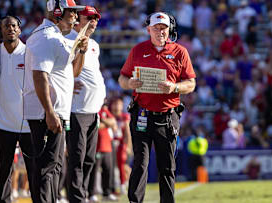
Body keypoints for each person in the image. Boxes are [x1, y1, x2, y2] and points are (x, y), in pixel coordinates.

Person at [118, 12, 196, 203]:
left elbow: (191, 83)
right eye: (156, 28)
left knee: (167, 166)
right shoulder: (138, 50)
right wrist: (130, 84)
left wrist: (175, 87)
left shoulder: (180, 52)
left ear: (169, 30)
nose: (160, 32)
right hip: (142, 113)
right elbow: (122, 78)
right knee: (140, 163)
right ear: (148, 29)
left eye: (164, 28)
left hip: (167, 116)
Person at [22, 0, 85, 202]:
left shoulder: (53, 36)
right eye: (71, 12)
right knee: (46, 168)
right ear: (57, 12)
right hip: (46, 114)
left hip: (54, 112)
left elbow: (71, 73)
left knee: (54, 166)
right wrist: (49, 112)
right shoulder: (46, 37)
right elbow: (40, 76)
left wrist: (81, 51)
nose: (75, 17)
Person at [64, 6, 106, 203]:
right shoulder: (67, 39)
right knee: (77, 158)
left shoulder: (95, 44)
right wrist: (66, 84)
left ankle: (83, 194)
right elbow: (60, 69)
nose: (94, 21)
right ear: (77, 20)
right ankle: (76, 198)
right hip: (77, 109)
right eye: (89, 17)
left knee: (89, 159)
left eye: (96, 18)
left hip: (93, 109)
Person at [0, 15, 33, 203]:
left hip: (28, 124)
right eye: (6, 26)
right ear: (0, 30)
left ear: (20, 29)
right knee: (1, 173)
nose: (11, 29)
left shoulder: (30, 53)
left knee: (35, 173)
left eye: (14, 26)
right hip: (0, 122)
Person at [88, 105, 118, 202]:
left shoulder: (105, 111)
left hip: (107, 147)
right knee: (93, 172)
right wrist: (106, 123)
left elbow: (113, 121)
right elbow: (96, 126)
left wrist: (103, 120)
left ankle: (107, 193)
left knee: (108, 171)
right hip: (97, 147)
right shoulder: (94, 110)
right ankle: (91, 194)